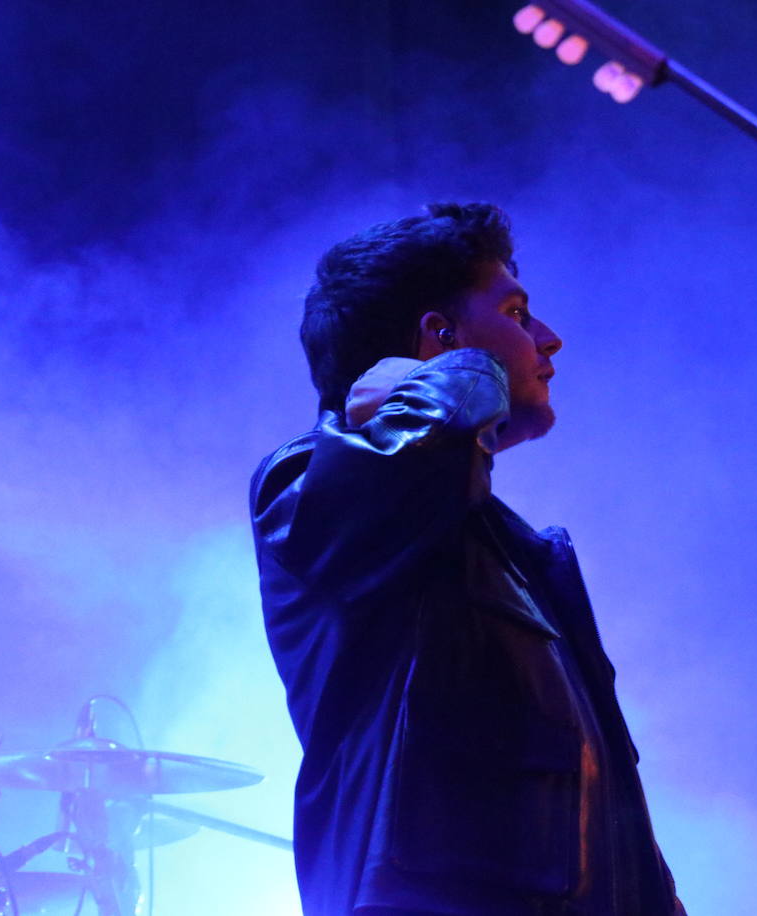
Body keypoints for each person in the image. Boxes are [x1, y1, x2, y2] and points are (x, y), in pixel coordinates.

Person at [249, 203, 684, 916]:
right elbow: (419, 448)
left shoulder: (515, 554)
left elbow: (612, 818)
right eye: (515, 311)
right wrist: (462, 372)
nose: (548, 338)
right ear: (440, 337)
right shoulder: (307, 484)